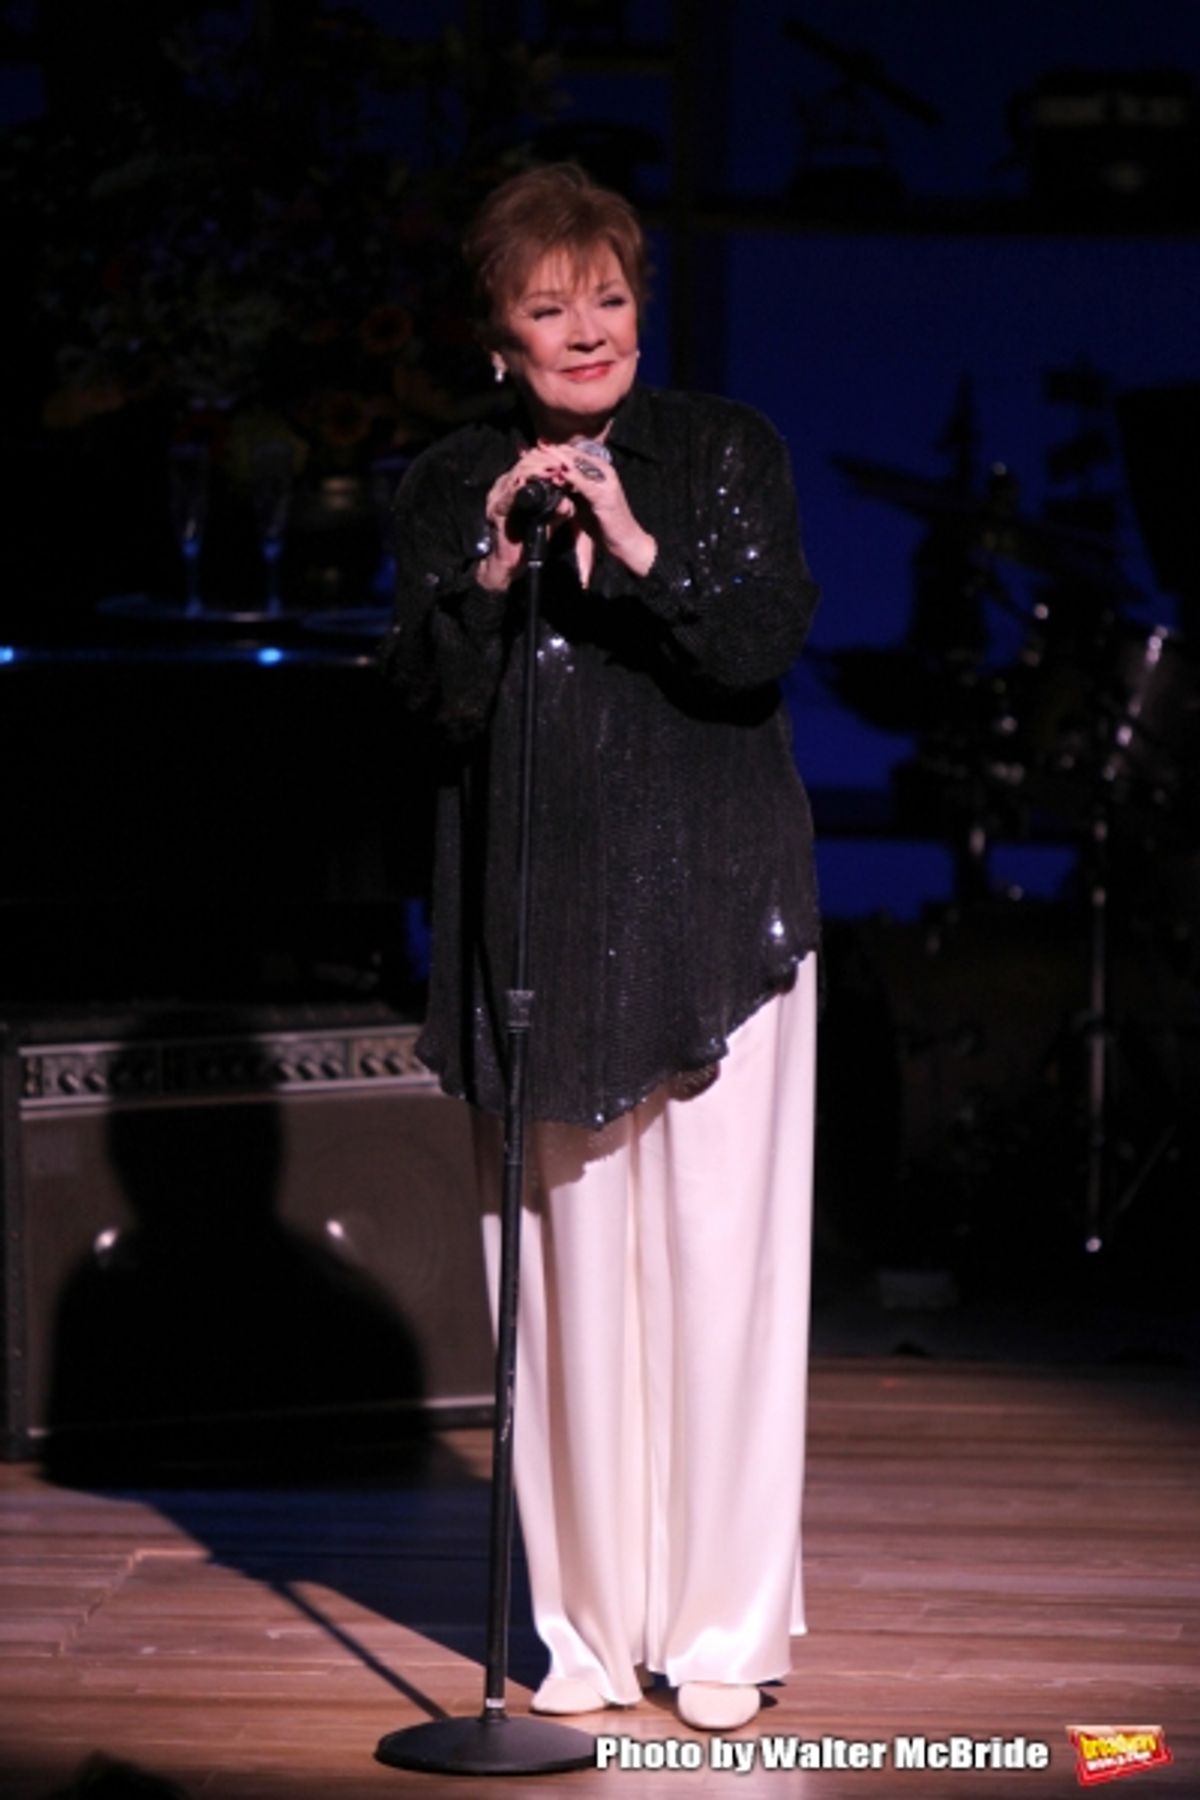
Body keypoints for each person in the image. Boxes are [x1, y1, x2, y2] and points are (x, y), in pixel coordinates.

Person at [379, 162, 820, 1733]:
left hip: (717, 916)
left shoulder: (721, 451)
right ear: (497, 336)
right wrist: (498, 567)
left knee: (718, 1282)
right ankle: (578, 1629)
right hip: (540, 927)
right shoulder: (454, 483)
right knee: (564, 1303)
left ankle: (719, 1630)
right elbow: (427, 705)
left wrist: (633, 541)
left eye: (610, 299)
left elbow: (758, 645)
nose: (589, 331)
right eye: (551, 307)